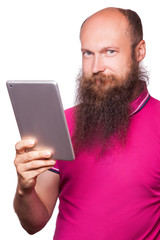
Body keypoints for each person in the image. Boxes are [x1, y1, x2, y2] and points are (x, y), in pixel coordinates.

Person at [13, 7, 160, 240]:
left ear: (139, 51)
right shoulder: (63, 121)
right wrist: (24, 188)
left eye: (110, 52)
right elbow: (34, 223)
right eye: (88, 53)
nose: (96, 68)